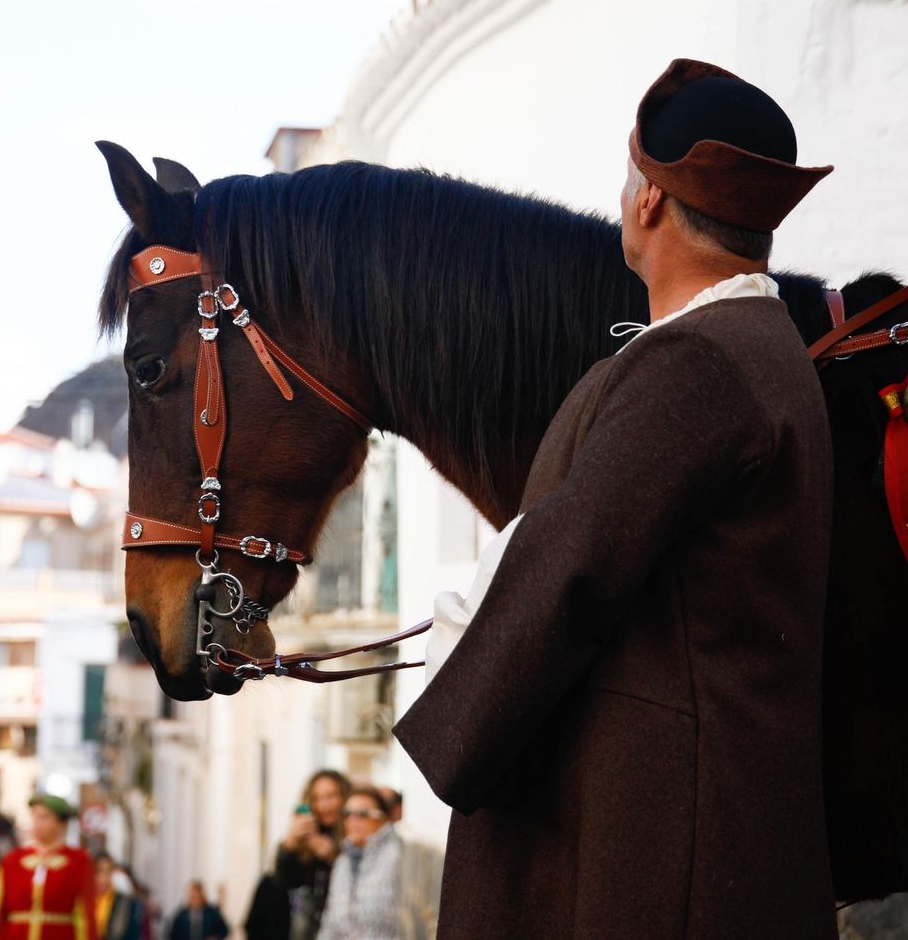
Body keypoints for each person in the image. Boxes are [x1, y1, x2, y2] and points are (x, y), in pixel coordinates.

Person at [395, 58, 838, 938]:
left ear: (649, 202)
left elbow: (572, 564)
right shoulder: (751, 344)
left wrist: (455, 731)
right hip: (692, 825)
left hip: (664, 849)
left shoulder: (700, 362)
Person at [0, 794, 98, 940]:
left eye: (44, 817)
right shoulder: (12, 862)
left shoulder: (78, 862)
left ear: (62, 823)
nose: (36, 823)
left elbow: (85, 916)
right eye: (34, 816)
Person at [314, 788, 403, 940]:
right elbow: (329, 924)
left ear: (384, 818)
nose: (352, 820)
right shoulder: (342, 862)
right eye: (347, 814)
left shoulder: (399, 858)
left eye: (362, 814)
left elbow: (410, 923)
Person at [273, 770, 350, 940]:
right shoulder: (307, 834)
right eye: (316, 798)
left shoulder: (354, 831)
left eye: (330, 796)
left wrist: (334, 857)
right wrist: (289, 844)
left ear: (345, 797)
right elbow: (282, 882)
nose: (323, 805)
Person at [94, 852, 143, 940]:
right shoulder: (85, 902)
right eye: (98, 872)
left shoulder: (125, 903)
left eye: (107, 872)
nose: (102, 878)